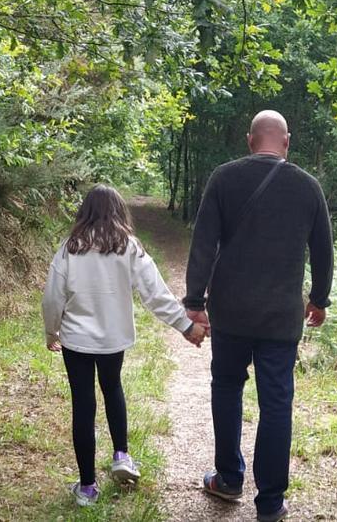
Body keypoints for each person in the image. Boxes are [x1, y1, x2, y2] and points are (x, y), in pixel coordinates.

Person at [183, 109, 334, 522]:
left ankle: (229, 479)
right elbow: (323, 250)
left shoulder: (224, 177)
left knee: (227, 389)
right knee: (277, 404)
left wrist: (194, 300)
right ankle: (269, 503)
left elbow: (203, 242)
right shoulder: (307, 187)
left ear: (251, 140)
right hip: (280, 318)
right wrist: (319, 298)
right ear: (287, 142)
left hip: (230, 313)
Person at [42, 184, 207, 507]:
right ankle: (121, 455)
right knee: (113, 387)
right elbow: (155, 294)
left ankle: (87, 487)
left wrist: (52, 332)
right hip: (112, 340)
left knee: (83, 405)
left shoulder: (69, 249)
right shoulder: (128, 248)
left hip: (76, 341)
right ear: (119, 211)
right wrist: (186, 326)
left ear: (84, 213)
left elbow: (52, 298)